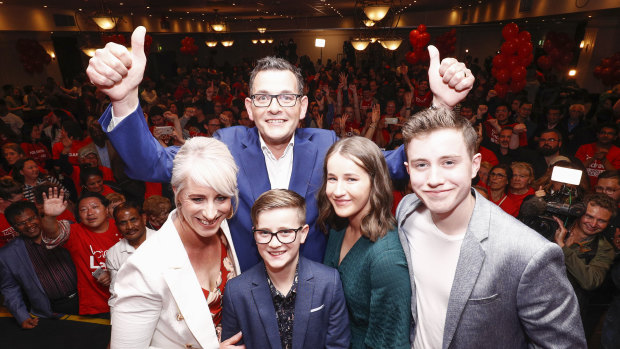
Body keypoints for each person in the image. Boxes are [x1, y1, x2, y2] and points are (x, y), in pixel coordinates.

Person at [87, 26, 474, 271]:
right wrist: (125, 101)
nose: (275, 107)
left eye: (287, 97)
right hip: (243, 290)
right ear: (249, 108)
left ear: (303, 107)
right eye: (264, 98)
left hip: (317, 292)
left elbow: (391, 165)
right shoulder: (225, 145)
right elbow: (149, 164)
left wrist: (441, 109)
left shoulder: (325, 145)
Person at [397, 107, 585, 348]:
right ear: (408, 169)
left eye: (449, 162)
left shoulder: (528, 253)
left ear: (475, 165)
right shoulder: (408, 211)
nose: (434, 179)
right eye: (421, 165)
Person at [109, 137, 243, 348]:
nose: (211, 213)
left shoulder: (227, 228)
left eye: (221, 198)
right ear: (176, 193)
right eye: (197, 199)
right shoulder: (144, 267)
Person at [221, 189, 350, 348]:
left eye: (286, 232)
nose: (274, 243)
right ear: (254, 234)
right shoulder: (236, 292)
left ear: (303, 234)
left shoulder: (329, 282)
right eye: (264, 232)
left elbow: (338, 345)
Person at [319, 137, 411, 348]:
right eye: (332, 179)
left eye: (351, 179)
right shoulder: (338, 228)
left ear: (375, 182)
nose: (338, 191)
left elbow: (391, 343)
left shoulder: (387, 258)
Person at [41, 190, 121, 316]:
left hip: (130, 299)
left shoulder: (122, 226)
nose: (90, 213)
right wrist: (50, 216)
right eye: (83, 210)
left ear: (106, 210)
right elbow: (52, 234)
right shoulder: (74, 232)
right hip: (97, 306)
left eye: (95, 207)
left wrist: (114, 275)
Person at [0, 201, 78, 328]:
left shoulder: (64, 231)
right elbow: (10, 288)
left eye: (31, 218)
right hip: (49, 313)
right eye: (20, 223)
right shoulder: (7, 254)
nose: (29, 225)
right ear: (13, 228)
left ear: (39, 215)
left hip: (86, 300)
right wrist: (22, 316)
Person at [552, 193, 616, 310]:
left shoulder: (604, 248)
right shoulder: (556, 225)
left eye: (601, 221)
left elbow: (590, 281)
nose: (593, 224)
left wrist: (562, 247)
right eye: (589, 216)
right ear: (579, 213)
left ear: (608, 223)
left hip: (563, 306)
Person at [106, 201, 154, 298]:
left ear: (143, 218)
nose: (130, 227)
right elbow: (117, 294)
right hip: (134, 309)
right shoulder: (114, 253)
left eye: (133, 220)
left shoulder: (165, 242)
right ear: (117, 226)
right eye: (123, 223)